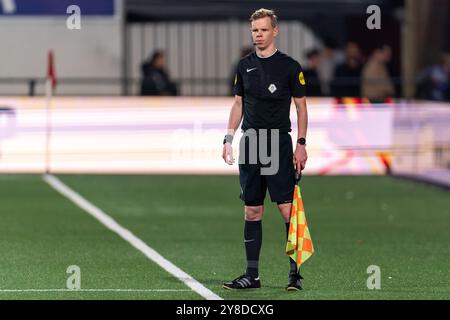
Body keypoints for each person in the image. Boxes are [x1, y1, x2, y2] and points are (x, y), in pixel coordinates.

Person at [221, 8, 308, 291]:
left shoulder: (290, 66)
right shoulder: (243, 65)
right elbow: (238, 104)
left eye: (263, 30)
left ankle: (295, 275)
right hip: (252, 143)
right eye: (254, 30)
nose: (258, 35)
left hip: (278, 143)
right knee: (252, 211)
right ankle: (252, 276)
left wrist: (301, 144)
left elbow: (301, 107)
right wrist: (228, 138)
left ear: (275, 31)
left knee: (286, 210)